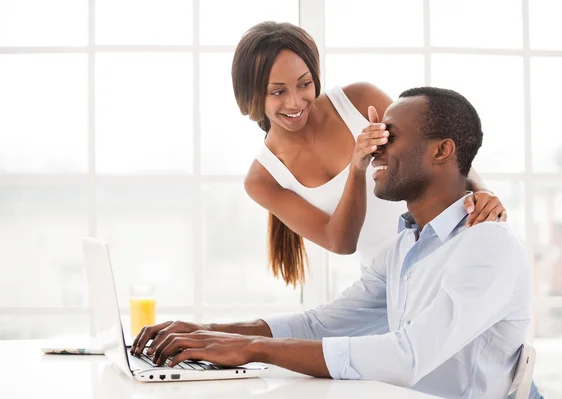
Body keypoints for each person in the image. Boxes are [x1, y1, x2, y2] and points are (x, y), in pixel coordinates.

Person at [131, 87, 532, 399]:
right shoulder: (405, 248)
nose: (374, 146)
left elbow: (407, 357)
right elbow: (318, 325)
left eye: (388, 135)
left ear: (442, 150)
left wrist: (252, 349)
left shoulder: (485, 244)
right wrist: (209, 334)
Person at [232, 21, 507, 287]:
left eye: (304, 84)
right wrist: (356, 167)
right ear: (251, 96)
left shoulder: (359, 100)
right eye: (278, 91)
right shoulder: (263, 179)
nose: (295, 101)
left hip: (451, 249)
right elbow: (341, 242)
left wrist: (483, 191)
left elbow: (440, 149)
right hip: (389, 282)